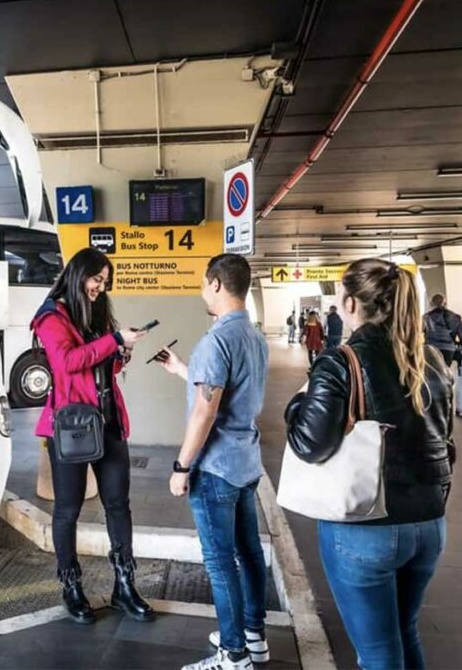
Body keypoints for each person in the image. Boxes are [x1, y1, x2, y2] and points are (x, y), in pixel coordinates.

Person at [285, 259, 455, 670]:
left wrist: (295, 405)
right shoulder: (429, 358)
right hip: (429, 524)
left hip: (366, 530)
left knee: (378, 654)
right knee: (405, 630)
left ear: (348, 302)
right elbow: (446, 441)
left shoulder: (341, 361)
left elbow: (309, 443)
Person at [154, 254, 270, 670]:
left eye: (205, 284)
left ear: (218, 284)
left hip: (217, 467)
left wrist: (182, 466)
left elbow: (205, 412)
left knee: (221, 563)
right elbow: (226, 392)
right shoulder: (254, 337)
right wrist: (185, 370)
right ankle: (254, 638)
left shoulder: (215, 340)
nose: (202, 291)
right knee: (250, 553)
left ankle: (233, 654)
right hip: (246, 464)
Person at [30, 247, 155, 625]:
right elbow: (67, 364)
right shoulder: (50, 317)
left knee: (118, 504)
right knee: (67, 509)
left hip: (108, 421)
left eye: (105, 281)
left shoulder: (95, 313)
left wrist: (121, 354)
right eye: (96, 279)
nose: (101, 287)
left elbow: (102, 367)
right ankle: (71, 587)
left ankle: (124, 585)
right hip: (70, 427)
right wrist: (114, 340)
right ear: (78, 273)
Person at [423, 294, 462, 368]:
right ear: (445, 303)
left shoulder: (426, 317)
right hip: (448, 349)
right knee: (445, 371)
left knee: (431, 372)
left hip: (430, 349)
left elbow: (416, 332)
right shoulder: (454, 317)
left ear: (431, 304)